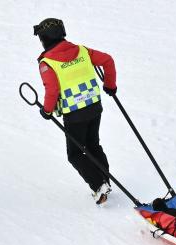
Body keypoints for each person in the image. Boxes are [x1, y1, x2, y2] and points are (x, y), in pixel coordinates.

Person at [33, 18, 117, 205]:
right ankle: (105, 181)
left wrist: (47, 111)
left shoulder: (47, 62)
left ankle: (99, 185)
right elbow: (107, 60)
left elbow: (52, 90)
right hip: (94, 106)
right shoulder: (82, 51)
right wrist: (110, 85)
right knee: (93, 145)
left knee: (75, 154)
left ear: (44, 38)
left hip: (74, 114)